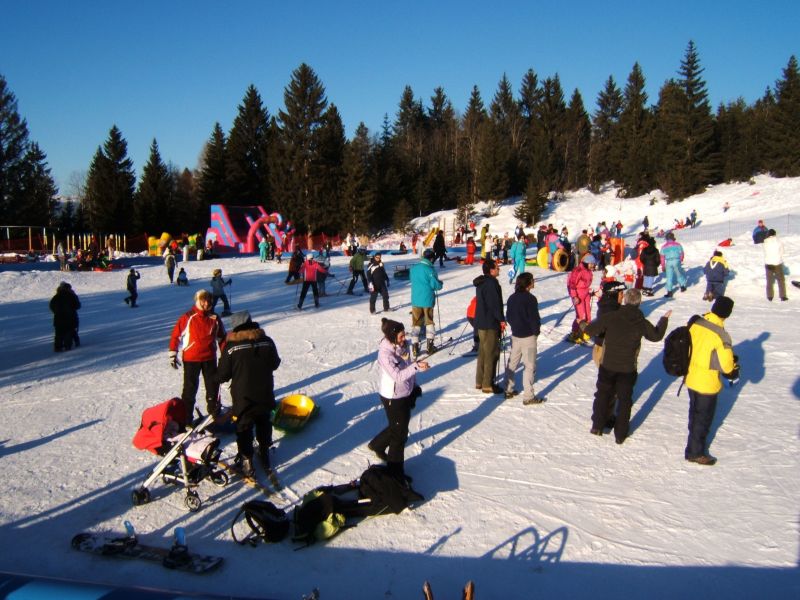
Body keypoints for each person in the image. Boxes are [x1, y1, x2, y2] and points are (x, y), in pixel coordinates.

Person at [582, 289, 670, 444]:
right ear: (639, 302)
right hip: (627, 368)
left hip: (608, 364)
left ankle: (597, 425)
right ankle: (620, 434)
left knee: (603, 394)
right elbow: (656, 336)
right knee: (624, 400)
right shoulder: (640, 321)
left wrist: (582, 323)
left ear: (624, 300)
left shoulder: (612, 316)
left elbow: (590, 330)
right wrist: (663, 320)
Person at [217, 310, 281, 477]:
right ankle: (264, 452)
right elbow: (275, 363)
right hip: (265, 392)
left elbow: (222, 375)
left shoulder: (231, 347)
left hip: (243, 396)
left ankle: (247, 461)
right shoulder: (267, 341)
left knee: (244, 426)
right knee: (263, 421)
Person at [368, 318, 429, 482]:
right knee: (400, 435)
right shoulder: (385, 354)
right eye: (401, 336)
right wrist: (415, 367)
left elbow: (408, 364)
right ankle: (396, 472)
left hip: (405, 392)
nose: (404, 339)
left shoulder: (403, 345)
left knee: (399, 426)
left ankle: (377, 444)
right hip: (392, 397)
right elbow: (397, 376)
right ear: (392, 336)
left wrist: (415, 384)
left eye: (404, 335)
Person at [684, 297, 738, 465]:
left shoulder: (697, 322)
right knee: (703, 418)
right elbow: (728, 367)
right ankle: (695, 452)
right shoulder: (721, 334)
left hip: (691, 375)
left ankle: (693, 443)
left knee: (694, 413)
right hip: (707, 382)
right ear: (727, 314)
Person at [169, 289, 227, 418]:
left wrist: (226, 355)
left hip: (209, 358)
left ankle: (214, 413)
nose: (206, 303)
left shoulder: (214, 318)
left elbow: (221, 338)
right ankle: (186, 417)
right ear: (197, 301)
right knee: (190, 389)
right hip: (191, 359)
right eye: (203, 300)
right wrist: (173, 354)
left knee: (213, 387)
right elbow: (176, 336)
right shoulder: (188, 317)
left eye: (208, 300)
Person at [503, 272, 543, 404]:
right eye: (532, 280)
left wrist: (515, 327)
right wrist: (536, 332)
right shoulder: (530, 299)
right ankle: (528, 396)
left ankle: (508, 389)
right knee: (530, 365)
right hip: (529, 338)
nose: (534, 282)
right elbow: (534, 318)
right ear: (528, 283)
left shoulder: (512, 298)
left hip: (515, 336)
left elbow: (508, 316)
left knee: (512, 363)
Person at [473, 258, 505, 394]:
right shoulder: (491, 284)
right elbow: (494, 304)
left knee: (483, 352)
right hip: (490, 322)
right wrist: (501, 320)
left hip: (481, 322)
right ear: (491, 270)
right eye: (497, 267)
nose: (499, 269)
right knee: (491, 353)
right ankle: (487, 384)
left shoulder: (482, 282)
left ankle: (480, 381)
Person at [409, 249, 444, 356]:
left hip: (416, 299)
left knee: (416, 322)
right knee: (429, 321)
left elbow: (412, 280)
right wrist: (440, 283)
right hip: (427, 300)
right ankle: (430, 346)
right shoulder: (430, 269)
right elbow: (435, 285)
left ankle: (415, 346)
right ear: (431, 258)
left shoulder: (413, 268)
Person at [566, 254, 595, 343]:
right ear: (586, 263)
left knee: (588, 314)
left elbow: (586, 284)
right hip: (578, 295)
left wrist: (590, 293)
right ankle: (574, 333)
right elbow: (571, 284)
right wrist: (574, 296)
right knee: (580, 315)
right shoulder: (578, 271)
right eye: (591, 264)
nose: (592, 266)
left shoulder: (589, 271)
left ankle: (583, 332)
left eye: (593, 264)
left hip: (586, 294)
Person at [49, 281, 80, 352]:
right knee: (69, 331)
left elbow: (51, 306)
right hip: (70, 317)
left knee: (58, 333)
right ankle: (67, 346)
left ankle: (58, 347)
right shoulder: (71, 296)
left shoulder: (56, 296)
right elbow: (77, 305)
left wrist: (56, 312)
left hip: (58, 318)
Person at [762, 229, 788, 301]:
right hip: (777, 263)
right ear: (774, 234)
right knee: (780, 280)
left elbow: (765, 252)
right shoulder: (779, 241)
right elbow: (782, 251)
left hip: (768, 263)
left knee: (769, 280)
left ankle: (769, 296)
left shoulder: (765, 242)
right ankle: (783, 296)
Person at [660, 232, 688, 297]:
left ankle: (669, 291)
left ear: (666, 239)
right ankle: (682, 286)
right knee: (679, 274)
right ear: (673, 238)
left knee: (669, 277)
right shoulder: (678, 245)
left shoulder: (664, 247)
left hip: (669, 262)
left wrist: (663, 266)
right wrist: (680, 260)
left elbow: (662, 257)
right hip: (676, 260)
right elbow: (681, 253)